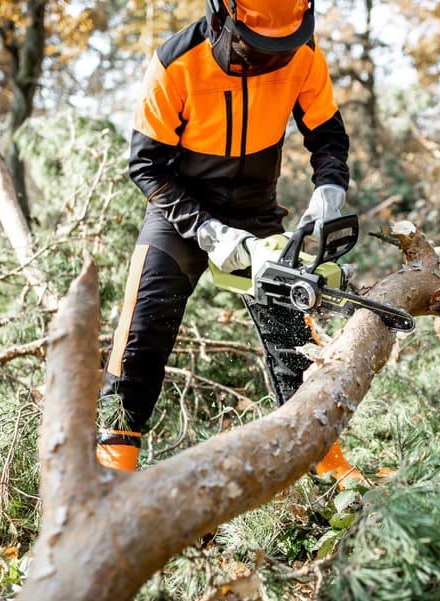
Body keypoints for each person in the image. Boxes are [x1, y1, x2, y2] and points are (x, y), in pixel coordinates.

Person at [96, 0, 364, 489]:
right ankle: (111, 473)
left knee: (294, 340)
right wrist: (207, 231)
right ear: (221, 18)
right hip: (180, 213)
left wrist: (330, 188)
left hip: (256, 210)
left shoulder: (302, 53)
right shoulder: (176, 62)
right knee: (141, 333)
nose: (268, 60)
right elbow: (146, 166)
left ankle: (327, 463)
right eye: (255, 48)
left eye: (278, 49)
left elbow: (328, 136)